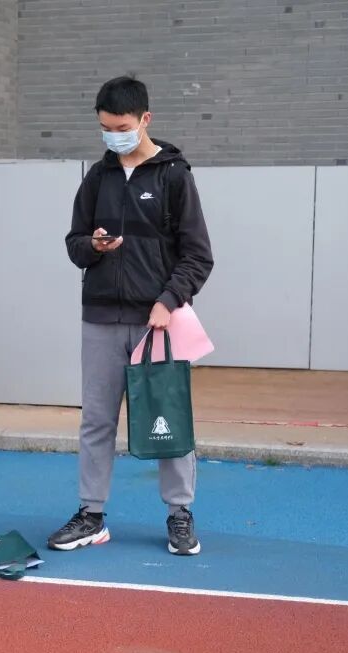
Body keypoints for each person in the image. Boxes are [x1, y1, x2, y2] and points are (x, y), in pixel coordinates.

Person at [49, 75, 214, 556]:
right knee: (96, 421)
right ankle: (91, 515)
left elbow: (198, 255)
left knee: (168, 420)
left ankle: (179, 514)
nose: (113, 136)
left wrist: (168, 301)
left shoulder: (174, 175)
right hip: (100, 318)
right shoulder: (97, 177)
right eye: (105, 128)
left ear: (145, 119)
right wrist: (93, 246)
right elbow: (74, 244)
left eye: (121, 127)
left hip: (157, 322)